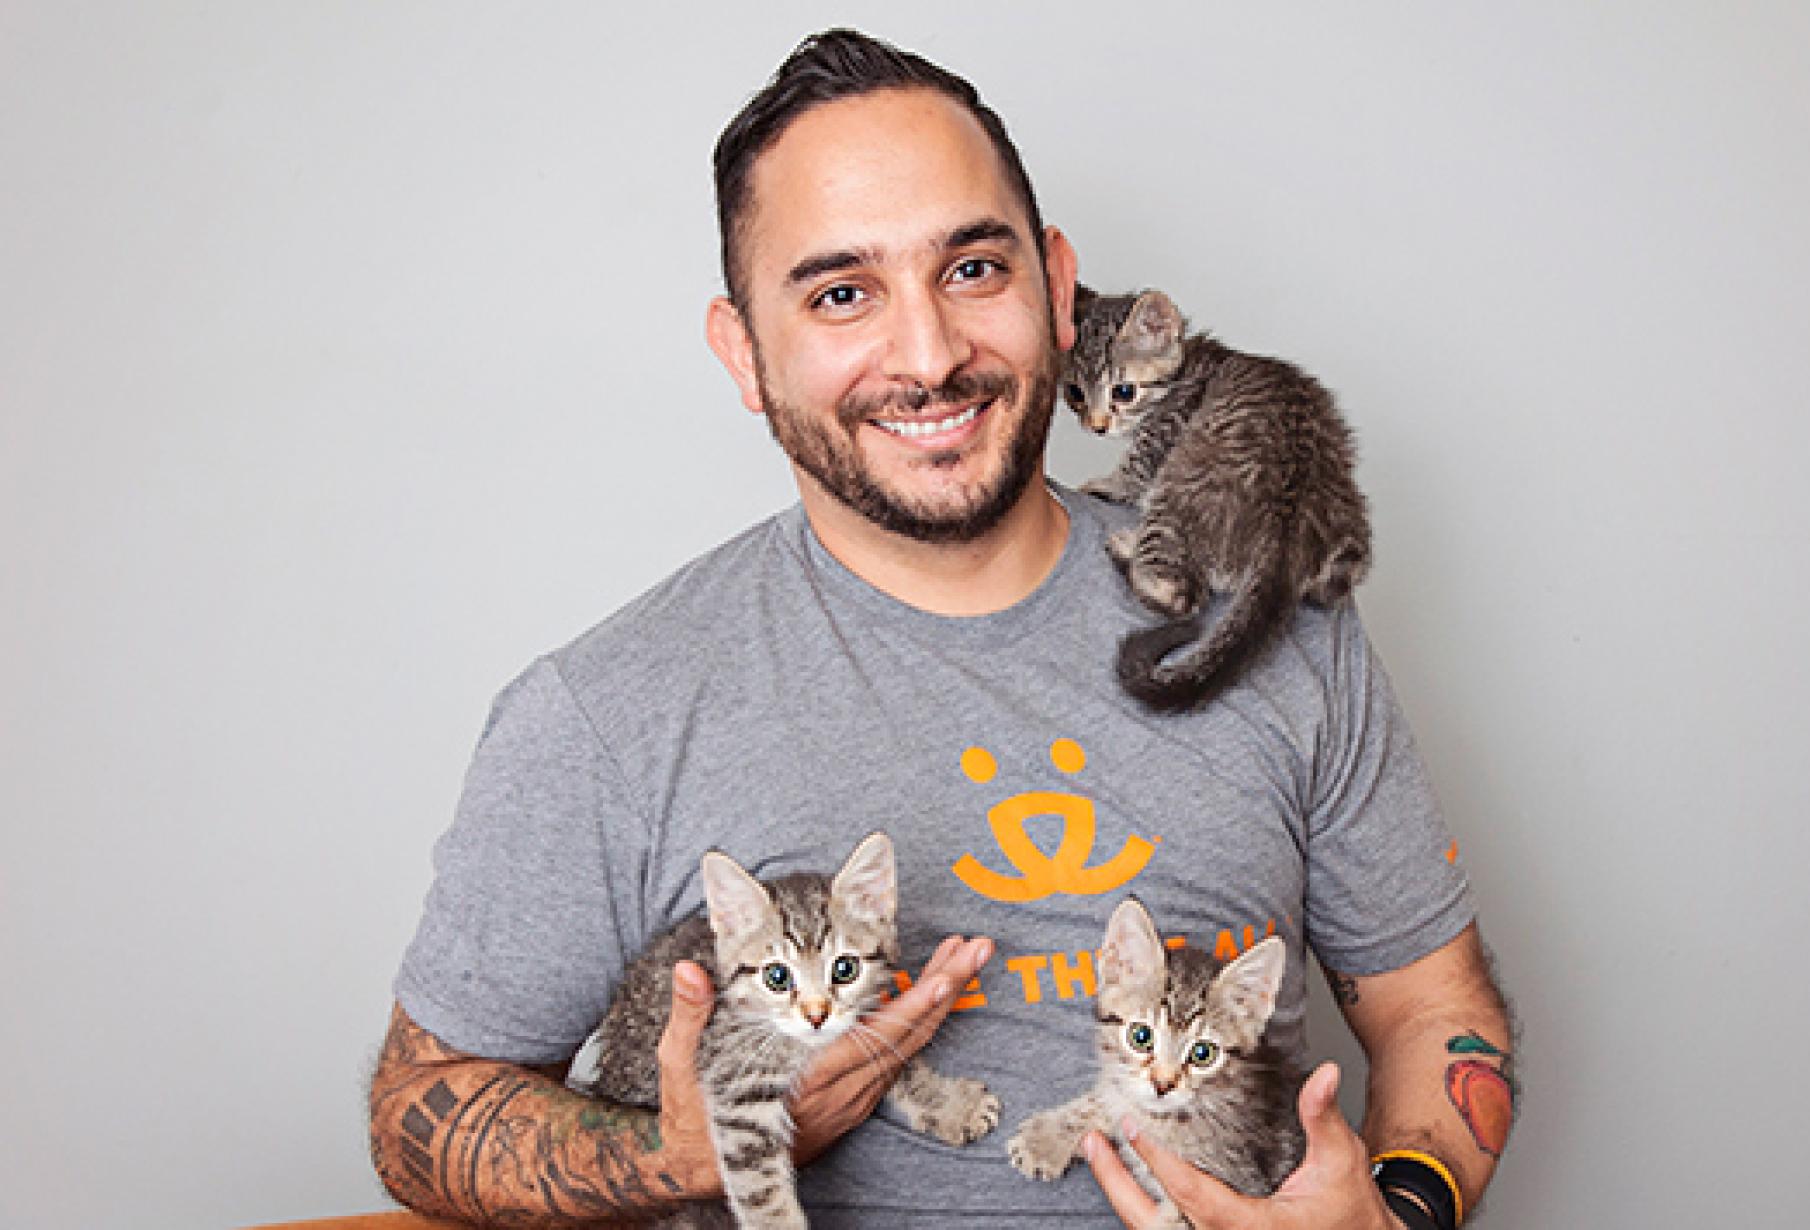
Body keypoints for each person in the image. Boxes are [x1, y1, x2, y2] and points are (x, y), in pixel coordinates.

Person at [368, 28, 1514, 1230]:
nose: (929, 354)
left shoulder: (1284, 632)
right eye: (842, 294)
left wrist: (1404, 1209)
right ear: (744, 354)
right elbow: (422, 1107)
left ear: (1059, 291)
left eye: (972, 270)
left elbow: (1435, 1006)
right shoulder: (610, 711)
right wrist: (682, 1156)